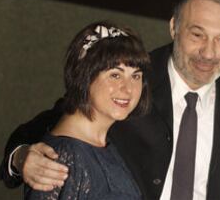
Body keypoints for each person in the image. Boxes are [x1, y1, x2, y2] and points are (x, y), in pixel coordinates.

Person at [0, 0, 220, 200]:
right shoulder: (131, 81)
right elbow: (46, 127)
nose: (209, 52)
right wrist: (21, 158)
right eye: (197, 35)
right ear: (174, 27)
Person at [24, 21, 151, 199]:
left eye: (136, 76)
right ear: (85, 75)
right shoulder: (64, 156)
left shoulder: (106, 145)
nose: (128, 89)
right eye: (115, 75)